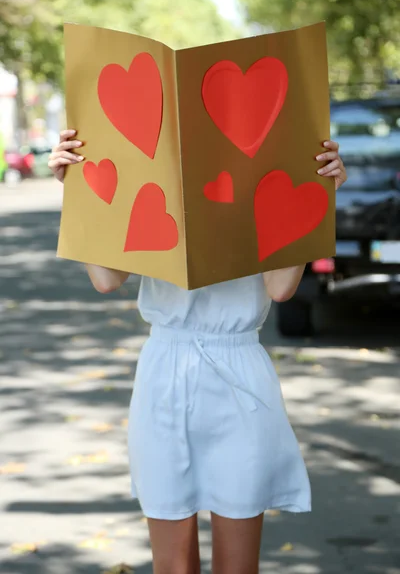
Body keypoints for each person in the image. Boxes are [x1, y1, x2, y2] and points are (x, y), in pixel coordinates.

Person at [49, 131, 347, 574]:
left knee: (237, 568)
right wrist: (76, 186)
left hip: (240, 372)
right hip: (165, 369)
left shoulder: (264, 170)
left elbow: (281, 288)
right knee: (172, 566)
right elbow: (106, 279)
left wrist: (318, 194)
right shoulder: (149, 166)